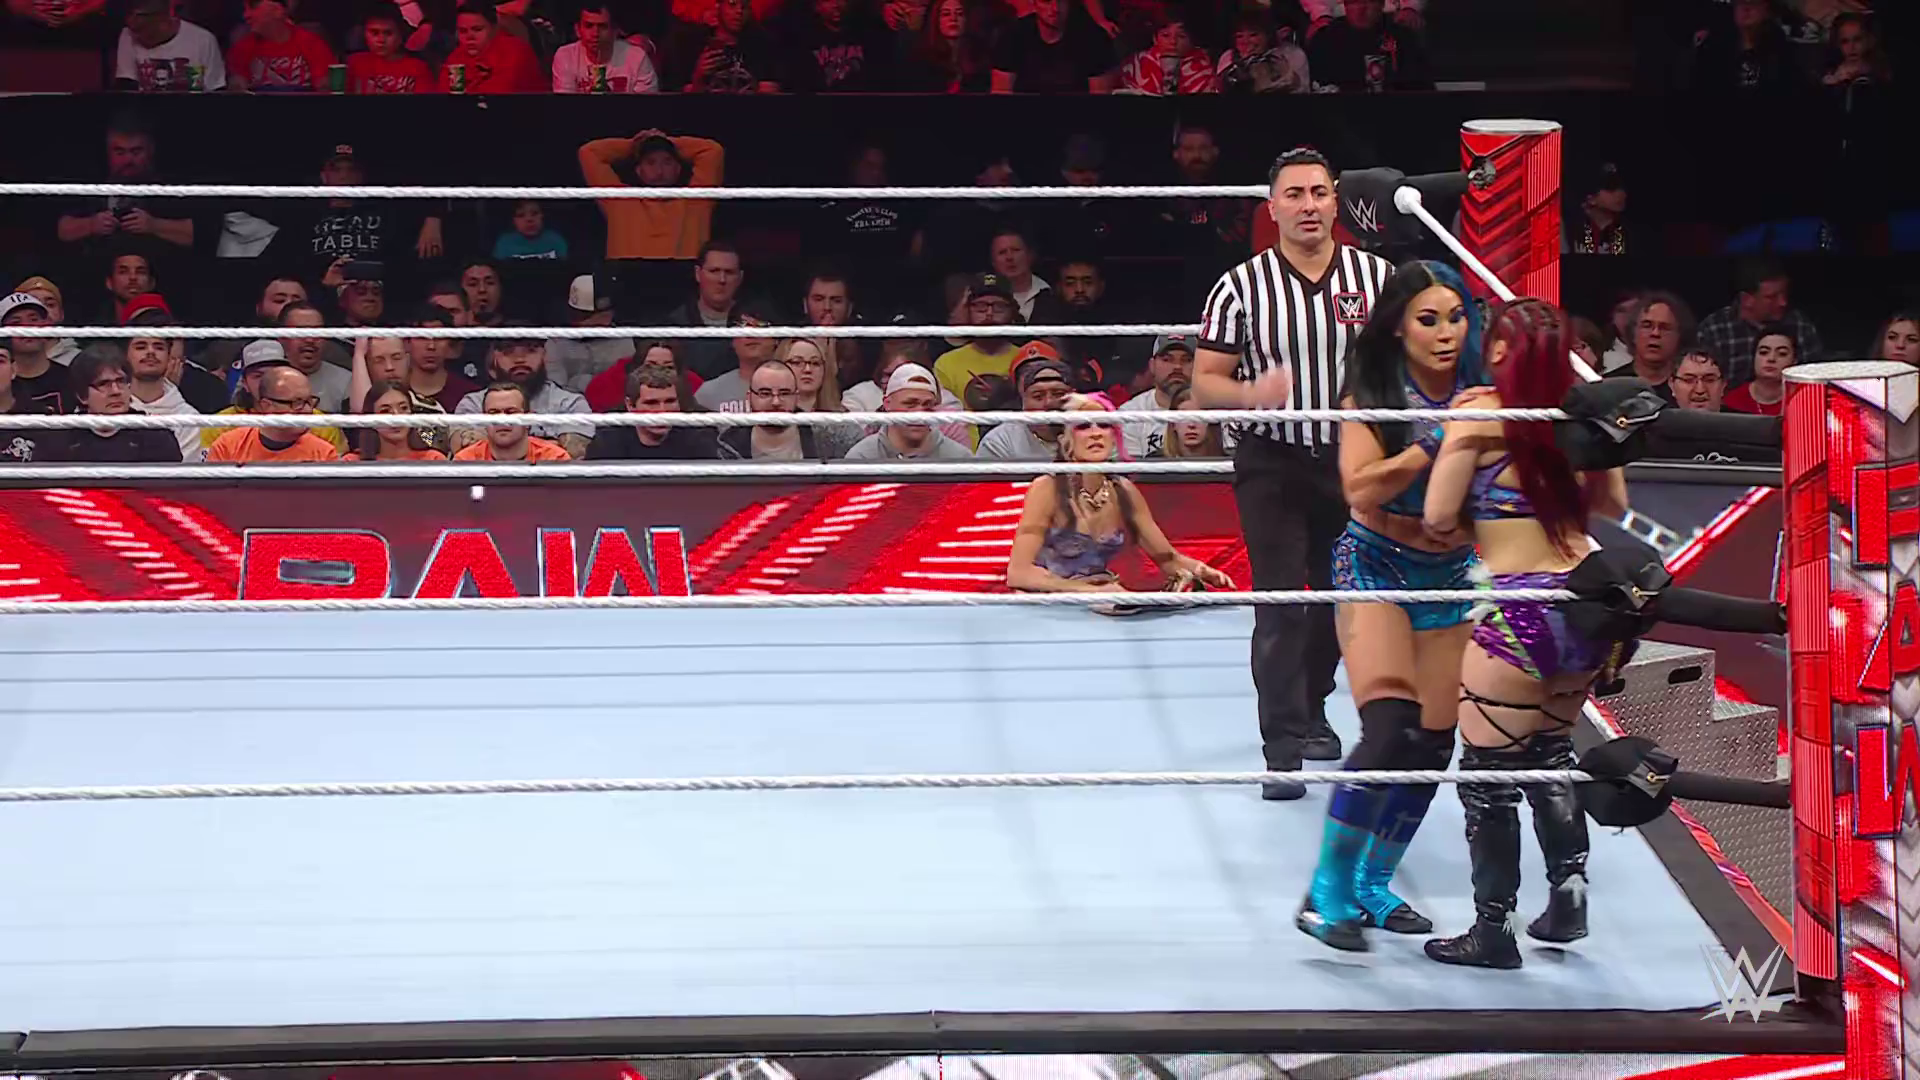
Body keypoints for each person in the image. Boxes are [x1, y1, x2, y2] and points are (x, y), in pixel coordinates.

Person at [1421, 298, 1630, 969]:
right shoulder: (1585, 416)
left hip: (1521, 611)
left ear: (1500, 350)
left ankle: (1494, 930)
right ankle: (1570, 900)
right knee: (1551, 753)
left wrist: (1484, 518)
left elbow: (1435, 516)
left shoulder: (1480, 415)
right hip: (1589, 603)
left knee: (1487, 780)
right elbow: (1615, 504)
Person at [1294, 260, 1487, 951]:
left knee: (1431, 742)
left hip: (1450, 574)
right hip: (1374, 565)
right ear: (1399, 328)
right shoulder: (1372, 394)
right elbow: (1360, 488)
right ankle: (1325, 893)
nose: (1445, 333)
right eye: (1428, 320)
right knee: (1388, 727)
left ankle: (1373, 883)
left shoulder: (1483, 394)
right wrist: (1433, 441)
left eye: (1455, 317)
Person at [1193, 147, 1393, 798]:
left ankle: (1311, 709)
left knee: (1338, 601)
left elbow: (1404, 363)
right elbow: (1204, 383)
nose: (1308, 205)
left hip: (1349, 460)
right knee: (1280, 604)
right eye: (1295, 194)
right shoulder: (1239, 286)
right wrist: (1250, 393)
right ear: (1273, 207)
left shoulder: (1377, 278)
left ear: (1336, 202)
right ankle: (1280, 751)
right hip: (1271, 458)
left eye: (1319, 192)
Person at [1006, 394, 1232, 595]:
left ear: (1114, 436)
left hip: (1100, 606)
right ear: (1063, 439)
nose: (1096, 434)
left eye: (1104, 425)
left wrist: (1200, 570)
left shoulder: (1123, 490)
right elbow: (1019, 573)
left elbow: (1167, 558)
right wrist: (1088, 591)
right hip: (1049, 607)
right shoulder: (1047, 488)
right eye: (1083, 426)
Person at [49, 345, 182, 463]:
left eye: (121, 381)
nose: (115, 391)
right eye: (103, 384)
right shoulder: (61, 441)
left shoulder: (157, 437)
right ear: (82, 396)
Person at [206, 367, 342, 463]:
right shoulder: (228, 447)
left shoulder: (324, 454)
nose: (308, 410)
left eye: (310, 402)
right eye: (297, 403)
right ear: (267, 406)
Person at [843, 363, 972, 460]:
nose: (920, 414)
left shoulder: (959, 458)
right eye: (910, 404)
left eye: (928, 405)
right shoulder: (862, 457)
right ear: (887, 404)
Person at [454, 382, 575, 462]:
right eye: (493, 413)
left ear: (529, 420)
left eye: (510, 412)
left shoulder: (554, 458)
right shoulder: (466, 460)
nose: (502, 419)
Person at [345, 381, 448, 461]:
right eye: (385, 411)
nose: (396, 417)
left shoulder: (432, 459)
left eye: (403, 408)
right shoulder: (351, 463)